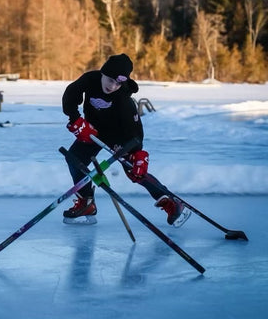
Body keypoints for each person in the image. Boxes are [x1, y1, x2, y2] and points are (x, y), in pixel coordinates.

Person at [62, 53, 184, 225]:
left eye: (118, 83)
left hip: (119, 136)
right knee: (74, 159)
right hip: (93, 131)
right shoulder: (90, 79)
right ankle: (86, 202)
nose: (113, 86)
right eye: (110, 80)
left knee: (134, 171)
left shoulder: (124, 101)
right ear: (103, 73)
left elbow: (135, 131)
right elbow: (71, 93)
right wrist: (75, 119)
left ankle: (170, 202)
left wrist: (137, 153)